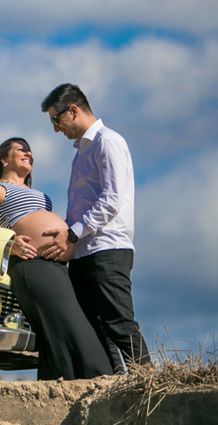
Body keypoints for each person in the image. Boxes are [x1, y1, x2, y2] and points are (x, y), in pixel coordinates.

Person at [0, 137, 112, 380]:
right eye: (21, 149)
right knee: (70, 323)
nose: (28, 153)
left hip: (59, 267)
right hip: (31, 265)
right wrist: (9, 244)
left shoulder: (43, 197)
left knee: (68, 324)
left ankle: (60, 383)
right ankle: (97, 378)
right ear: (4, 160)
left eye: (30, 151)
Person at [39, 83, 151, 372]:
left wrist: (72, 233)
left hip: (107, 249)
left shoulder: (108, 141)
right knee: (95, 330)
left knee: (119, 323)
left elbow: (112, 199)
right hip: (83, 252)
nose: (56, 129)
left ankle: (148, 382)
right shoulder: (81, 152)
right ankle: (113, 385)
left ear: (73, 110)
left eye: (56, 120)